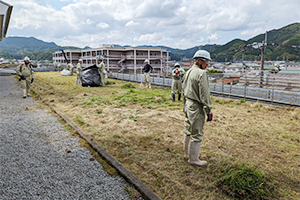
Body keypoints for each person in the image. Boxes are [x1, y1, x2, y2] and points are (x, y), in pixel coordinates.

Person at [182, 50, 213, 166]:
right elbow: (204, 94)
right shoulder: (201, 73)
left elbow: (183, 90)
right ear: (200, 60)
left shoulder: (188, 71)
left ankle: (186, 154)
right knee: (197, 132)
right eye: (206, 62)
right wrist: (208, 110)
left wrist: (184, 106)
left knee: (188, 129)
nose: (207, 65)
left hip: (188, 104)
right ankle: (193, 159)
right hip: (196, 106)